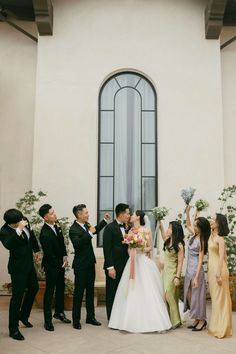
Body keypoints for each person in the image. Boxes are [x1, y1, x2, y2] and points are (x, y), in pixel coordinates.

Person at [108, 210, 172, 333]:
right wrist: (131, 249)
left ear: (138, 217)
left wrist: (140, 248)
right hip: (132, 262)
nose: (130, 216)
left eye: (132, 214)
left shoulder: (145, 230)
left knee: (147, 289)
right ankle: (127, 321)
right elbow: (128, 248)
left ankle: (153, 321)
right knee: (130, 290)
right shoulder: (130, 231)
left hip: (143, 262)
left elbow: (150, 248)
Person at [0, 209, 40, 340]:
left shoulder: (24, 220)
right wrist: (18, 230)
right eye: (17, 222)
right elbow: (9, 245)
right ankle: (13, 329)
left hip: (29, 265)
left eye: (21, 220)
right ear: (10, 223)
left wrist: (36, 250)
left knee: (34, 288)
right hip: (17, 268)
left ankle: (23, 315)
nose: (21, 222)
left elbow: (31, 236)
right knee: (17, 297)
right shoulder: (4, 231)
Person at [69, 204, 109, 330]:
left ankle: (90, 317)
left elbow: (94, 230)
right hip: (80, 266)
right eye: (86, 213)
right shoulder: (73, 229)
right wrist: (90, 234)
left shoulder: (86, 225)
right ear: (79, 214)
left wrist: (104, 221)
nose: (88, 214)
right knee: (79, 293)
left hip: (90, 263)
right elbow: (78, 244)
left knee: (90, 291)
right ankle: (76, 320)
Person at [39, 204, 71, 331]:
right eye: (52, 213)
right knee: (49, 291)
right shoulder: (44, 233)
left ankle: (59, 312)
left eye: (54, 212)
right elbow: (49, 254)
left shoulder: (56, 226)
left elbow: (61, 242)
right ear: (45, 217)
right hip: (51, 266)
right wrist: (60, 263)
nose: (55, 214)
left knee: (60, 288)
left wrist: (65, 257)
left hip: (60, 263)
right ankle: (47, 320)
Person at [184, 206, 211, 331]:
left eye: (196, 226)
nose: (193, 227)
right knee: (189, 295)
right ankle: (196, 318)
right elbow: (188, 223)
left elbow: (200, 260)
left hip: (196, 270)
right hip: (189, 269)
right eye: (194, 225)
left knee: (197, 296)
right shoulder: (194, 235)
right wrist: (188, 212)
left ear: (201, 228)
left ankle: (202, 320)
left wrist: (196, 276)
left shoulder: (202, 240)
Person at [103, 203, 130, 320]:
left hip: (125, 265)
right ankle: (111, 318)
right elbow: (107, 249)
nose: (129, 216)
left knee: (123, 292)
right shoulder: (109, 228)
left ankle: (121, 317)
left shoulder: (127, 227)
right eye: (128, 213)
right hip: (114, 267)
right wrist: (110, 267)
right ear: (121, 214)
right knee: (112, 293)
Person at [208, 213, 232, 338]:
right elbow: (194, 227)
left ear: (218, 223)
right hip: (212, 271)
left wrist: (218, 273)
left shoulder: (220, 239)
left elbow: (222, 257)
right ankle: (216, 326)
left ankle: (222, 328)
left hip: (219, 271)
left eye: (213, 219)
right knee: (215, 300)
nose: (211, 221)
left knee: (220, 300)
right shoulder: (211, 236)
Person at [160, 220, 185, 329]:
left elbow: (180, 263)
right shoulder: (167, 241)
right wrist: (159, 221)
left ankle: (175, 321)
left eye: (169, 228)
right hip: (165, 272)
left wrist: (177, 277)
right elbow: (162, 233)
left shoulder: (179, 245)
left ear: (174, 230)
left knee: (169, 295)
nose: (167, 229)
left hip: (173, 273)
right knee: (166, 297)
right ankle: (172, 319)